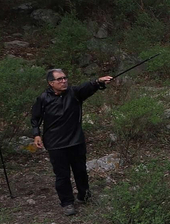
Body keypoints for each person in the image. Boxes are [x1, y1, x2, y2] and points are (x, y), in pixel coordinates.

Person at [30, 68, 113, 216]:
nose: (64, 81)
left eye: (65, 78)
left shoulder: (74, 93)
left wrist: (98, 82)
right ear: (51, 83)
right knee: (62, 175)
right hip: (55, 143)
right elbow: (35, 118)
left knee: (80, 171)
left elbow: (87, 87)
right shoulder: (43, 98)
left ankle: (84, 196)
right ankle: (67, 202)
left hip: (76, 140)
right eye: (59, 79)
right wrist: (36, 134)